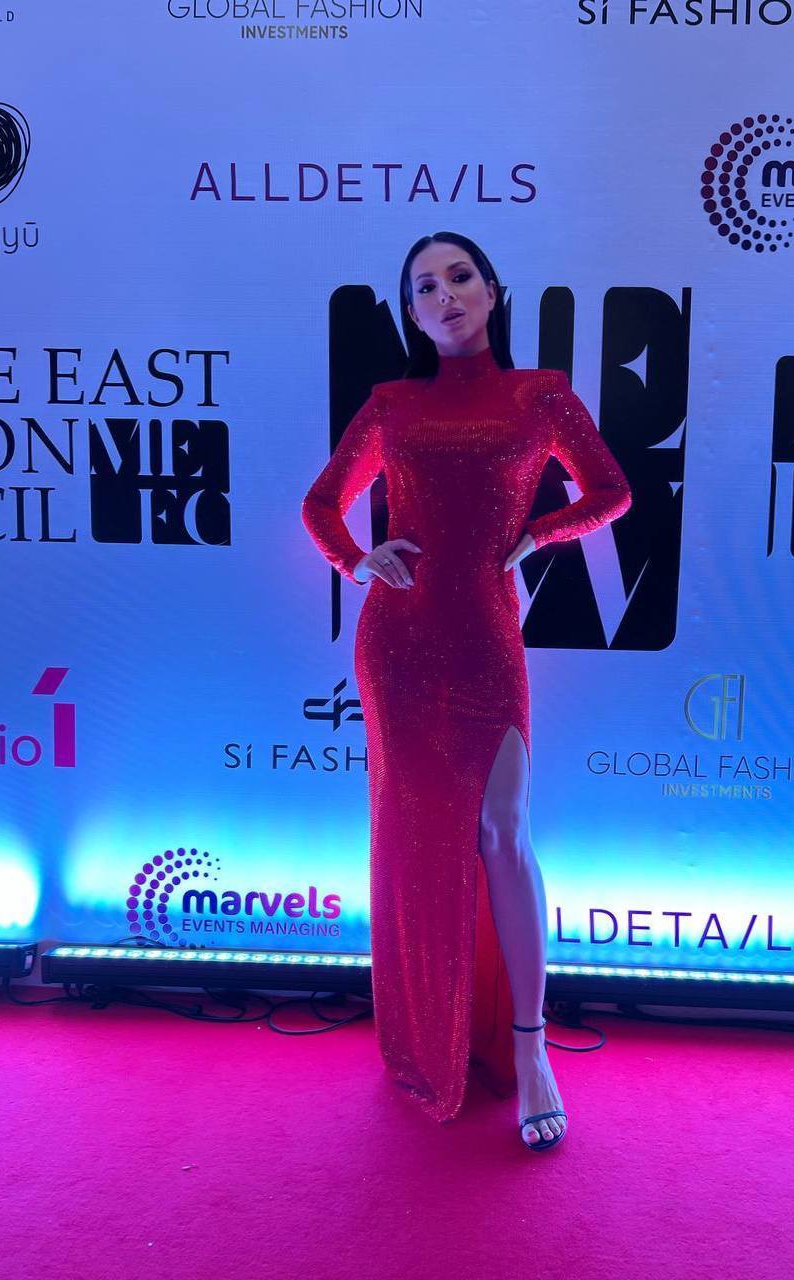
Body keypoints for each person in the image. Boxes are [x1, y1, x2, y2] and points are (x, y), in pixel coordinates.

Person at [301, 231, 632, 1151]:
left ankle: (530, 1049)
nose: (443, 295)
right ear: (411, 313)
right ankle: (429, 1031)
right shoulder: (392, 404)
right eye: (423, 287)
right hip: (400, 645)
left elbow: (612, 491)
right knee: (417, 841)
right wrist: (356, 560)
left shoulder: (541, 395)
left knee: (503, 832)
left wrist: (539, 534)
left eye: (459, 277)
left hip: (486, 637)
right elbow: (322, 504)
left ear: (492, 290)